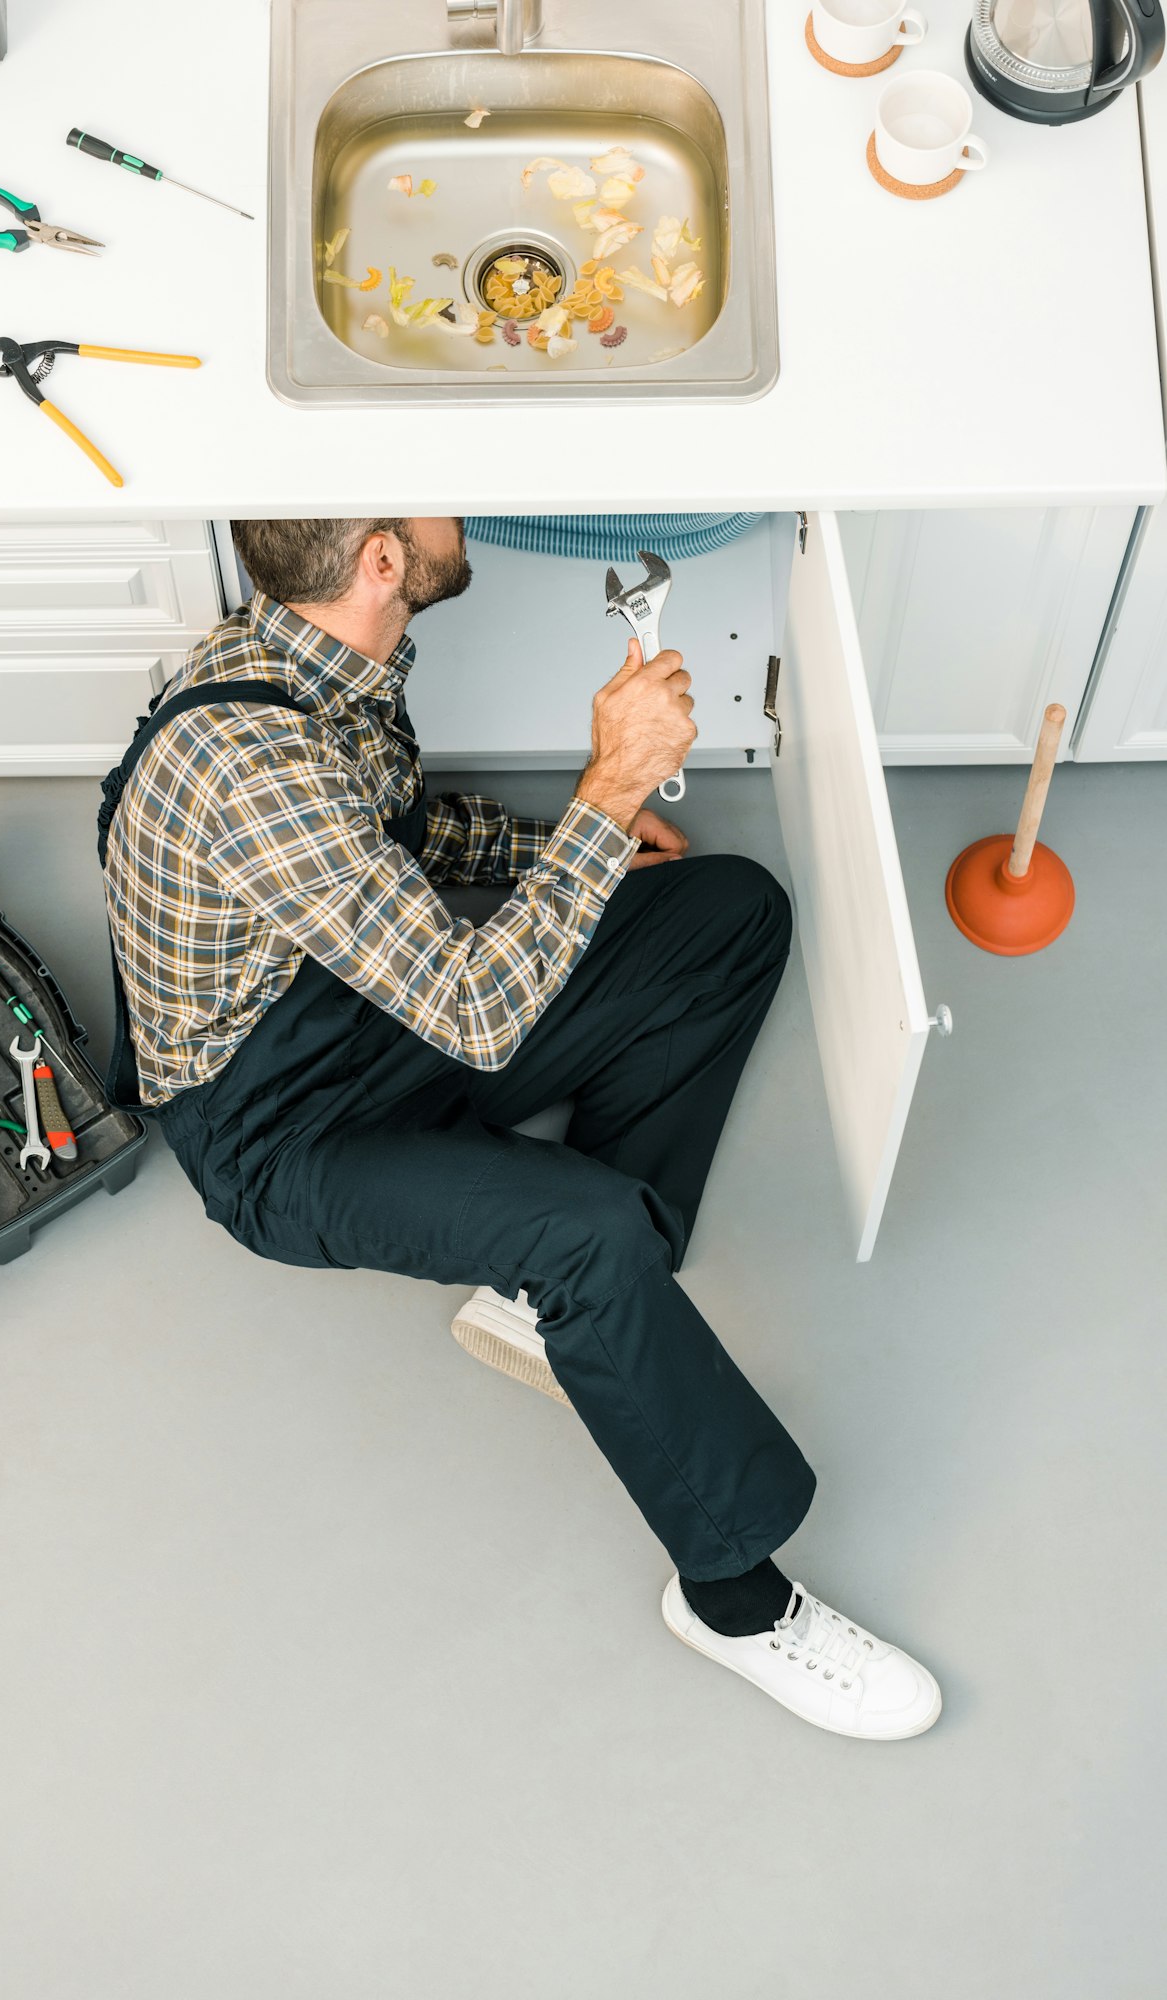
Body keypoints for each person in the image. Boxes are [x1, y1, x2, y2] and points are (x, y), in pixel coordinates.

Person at [101, 517, 941, 1741]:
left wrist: (563, 846)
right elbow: (480, 1014)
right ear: (382, 560)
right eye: (434, 501)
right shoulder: (248, 762)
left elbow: (390, 829)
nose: (468, 505)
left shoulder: (308, 655)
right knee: (592, 1235)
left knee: (731, 912)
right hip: (278, 1131)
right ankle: (734, 1598)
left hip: (361, 1002)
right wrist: (605, 792)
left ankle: (557, 1305)